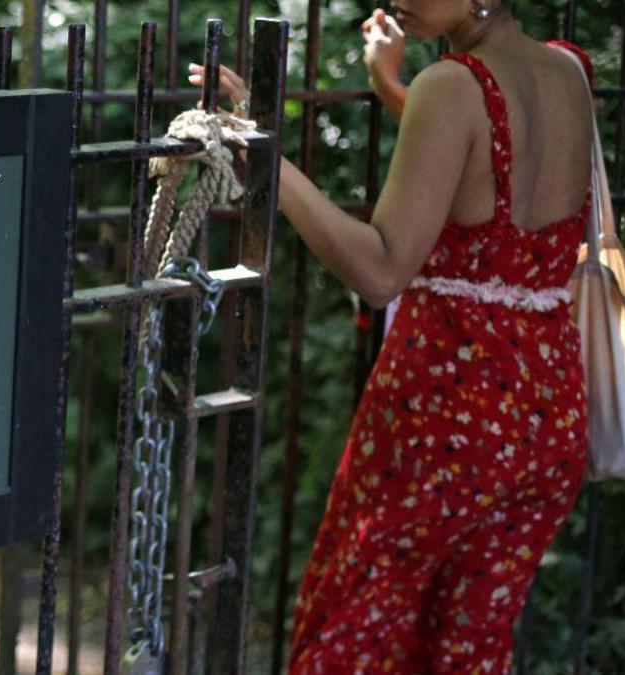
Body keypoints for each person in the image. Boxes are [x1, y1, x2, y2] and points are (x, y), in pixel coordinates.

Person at [191, 0, 595, 671]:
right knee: (467, 649)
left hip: (447, 412)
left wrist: (263, 153)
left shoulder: (452, 85)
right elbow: (480, 162)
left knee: (356, 631)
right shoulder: (569, 71)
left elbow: (380, 271)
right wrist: (387, 84)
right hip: (547, 414)